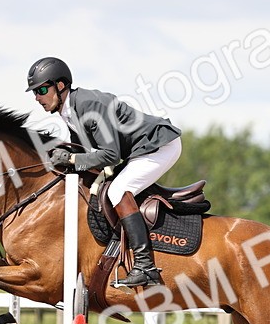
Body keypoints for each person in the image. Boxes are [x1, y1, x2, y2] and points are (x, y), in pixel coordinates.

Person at [26, 56, 181, 288]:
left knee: (119, 190)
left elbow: (110, 155)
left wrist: (70, 158)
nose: (37, 97)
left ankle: (145, 265)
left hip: (159, 146)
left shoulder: (89, 105)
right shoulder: (69, 112)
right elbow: (87, 158)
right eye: (35, 92)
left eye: (42, 90)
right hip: (139, 150)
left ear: (60, 86)